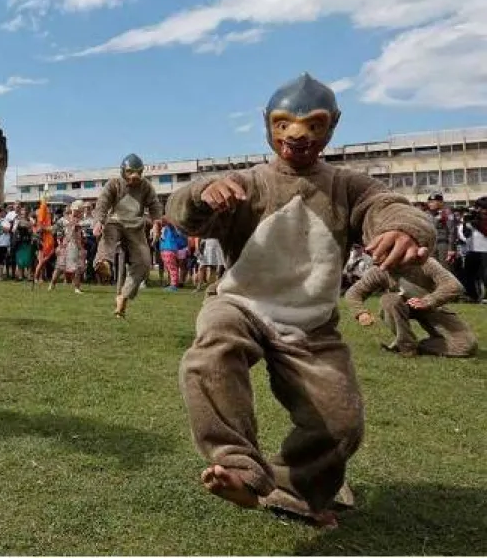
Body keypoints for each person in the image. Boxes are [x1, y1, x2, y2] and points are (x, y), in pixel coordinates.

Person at [166, 72, 435, 528]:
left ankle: (293, 490)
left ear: (332, 126)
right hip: (242, 303)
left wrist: (402, 229)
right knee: (212, 348)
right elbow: (182, 210)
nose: (298, 134)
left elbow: (388, 206)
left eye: (314, 124)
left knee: (341, 422)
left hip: (312, 325)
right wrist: (200, 196)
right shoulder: (248, 182)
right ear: (267, 124)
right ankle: (236, 467)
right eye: (284, 122)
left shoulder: (348, 185)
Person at [345, 257, 477, 358]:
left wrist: (428, 300)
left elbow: (454, 286)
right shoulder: (379, 270)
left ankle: (416, 346)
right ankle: (406, 346)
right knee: (389, 300)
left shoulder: (425, 263)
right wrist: (360, 312)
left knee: (466, 346)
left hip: (432, 307)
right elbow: (353, 293)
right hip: (400, 306)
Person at [93, 153, 162, 317]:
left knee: (144, 264)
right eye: (131, 172)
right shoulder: (114, 184)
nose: (134, 176)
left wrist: (157, 223)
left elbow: (154, 205)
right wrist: (99, 221)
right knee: (108, 234)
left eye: (138, 172)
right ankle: (104, 263)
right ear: (123, 171)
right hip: (115, 222)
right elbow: (103, 202)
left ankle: (124, 295)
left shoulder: (146, 186)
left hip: (136, 227)